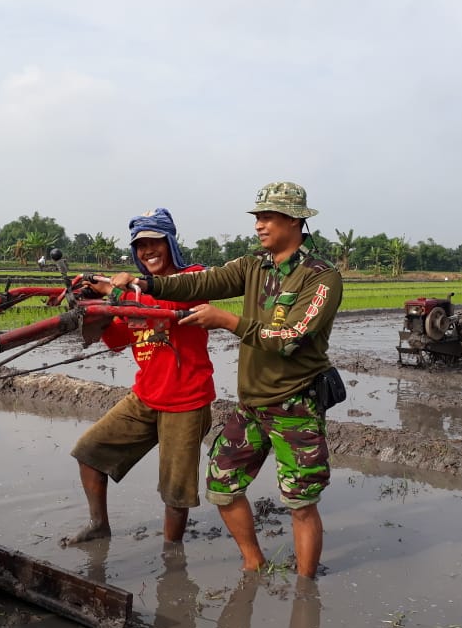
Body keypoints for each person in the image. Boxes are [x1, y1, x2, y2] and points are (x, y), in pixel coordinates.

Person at [109, 181, 343, 579]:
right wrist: (145, 284)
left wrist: (226, 320)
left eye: (268, 217)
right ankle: (254, 562)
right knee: (222, 483)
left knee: (300, 501)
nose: (259, 226)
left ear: (295, 221)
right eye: (258, 218)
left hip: (295, 403)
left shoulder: (320, 278)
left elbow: (289, 340)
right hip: (252, 404)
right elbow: (199, 283)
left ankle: (306, 588)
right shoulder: (253, 266)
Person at [62, 208, 215, 546]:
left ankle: (171, 554)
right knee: (89, 453)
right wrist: (89, 310)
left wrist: (117, 292)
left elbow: (167, 301)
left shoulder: (193, 277)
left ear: (171, 243)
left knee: (175, 493)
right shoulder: (131, 293)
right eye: (141, 245)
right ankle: (98, 525)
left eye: (155, 242)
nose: (148, 251)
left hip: (186, 401)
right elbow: (116, 340)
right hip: (145, 397)